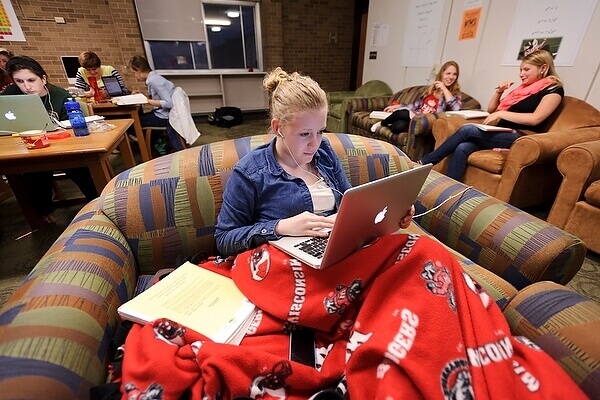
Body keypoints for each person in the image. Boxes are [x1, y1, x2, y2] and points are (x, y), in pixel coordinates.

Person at [215, 67, 414, 256]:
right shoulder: (250, 172)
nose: (314, 143)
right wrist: (281, 226)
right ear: (278, 128)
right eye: (304, 134)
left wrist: (393, 213)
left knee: (420, 252)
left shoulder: (324, 152)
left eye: (320, 131)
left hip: (337, 248)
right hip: (284, 260)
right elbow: (224, 239)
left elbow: (349, 200)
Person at [420, 50, 563, 181]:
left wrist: (502, 113)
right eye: (520, 70)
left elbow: (535, 119)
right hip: (502, 131)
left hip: (521, 137)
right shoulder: (523, 90)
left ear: (543, 68)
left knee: (467, 130)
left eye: (526, 70)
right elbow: (492, 109)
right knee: (463, 147)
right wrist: (499, 92)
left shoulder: (553, 89)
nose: (521, 74)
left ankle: (424, 163)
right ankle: (450, 190)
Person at [2, 56, 98, 223]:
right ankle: (42, 213)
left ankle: (97, 202)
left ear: (43, 78)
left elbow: (72, 126)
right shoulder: (11, 95)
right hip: (30, 148)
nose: (27, 87)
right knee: (34, 172)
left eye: (31, 80)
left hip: (61, 147)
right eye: (19, 81)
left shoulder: (60, 96)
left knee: (79, 169)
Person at [371, 60, 462, 134]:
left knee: (399, 123)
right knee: (399, 122)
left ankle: (384, 123)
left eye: (454, 74)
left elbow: (456, 109)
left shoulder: (454, 93)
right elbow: (416, 105)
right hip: (415, 117)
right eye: (448, 73)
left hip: (427, 123)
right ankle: (382, 123)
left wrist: (444, 89)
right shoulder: (432, 89)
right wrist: (397, 106)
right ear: (442, 74)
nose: (451, 77)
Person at [128, 55, 183, 155]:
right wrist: (143, 97)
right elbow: (159, 98)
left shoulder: (154, 81)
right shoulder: (153, 77)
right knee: (137, 119)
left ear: (139, 70)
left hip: (164, 117)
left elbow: (168, 103)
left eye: (134, 72)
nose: (135, 76)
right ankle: (159, 140)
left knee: (131, 125)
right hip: (162, 113)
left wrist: (146, 100)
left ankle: (157, 142)